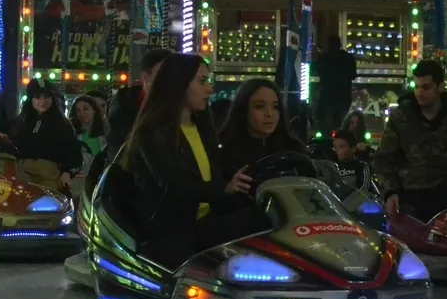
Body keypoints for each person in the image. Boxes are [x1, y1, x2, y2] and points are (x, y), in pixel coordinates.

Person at [123, 53, 262, 269]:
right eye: (202, 81)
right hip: (169, 230)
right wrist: (224, 189)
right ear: (180, 84)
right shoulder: (153, 133)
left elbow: (215, 173)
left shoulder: (201, 127)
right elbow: (174, 182)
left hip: (203, 222)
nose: (210, 89)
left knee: (263, 220)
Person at [374, 60, 447, 221]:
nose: (420, 92)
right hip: (411, 198)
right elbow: (383, 158)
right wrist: (390, 192)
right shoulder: (401, 117)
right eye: (417, 87)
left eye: (426, 87)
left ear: (440, 87)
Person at [219, 78, 306, 178]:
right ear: (243, 111)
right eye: (259, 106)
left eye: (275, 107)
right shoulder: (225, 153)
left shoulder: (294, 151)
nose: (269, 114)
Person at [11, 79, 83, 191]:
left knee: (47, 200)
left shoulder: (62, 124)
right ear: (30, 99)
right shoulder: (19, 122)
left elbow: (72, 150)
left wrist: (67, 172)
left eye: (47, 97)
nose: (42, 101)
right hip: (21, 172)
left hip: (48, 174)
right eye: (37, 97)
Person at [106, 48, 173, 162]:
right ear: (146, 77)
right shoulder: (124, 107)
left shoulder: (177, 104)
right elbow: (118, 150)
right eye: (164, 74)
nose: (170, 80)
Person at [313, 35, 357, 135]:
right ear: (340, 44)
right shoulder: (347, 58)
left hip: (327, 98)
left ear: (328, 45)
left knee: (326, 127)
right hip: (343, 97)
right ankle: (340, 140)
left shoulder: (324, 58)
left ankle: (329, 141)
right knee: (341, 126)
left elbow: (316, 70)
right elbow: (353, 75)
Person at [71, 95, 107, 174]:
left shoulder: (106, 130)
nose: (82, 113)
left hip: (102, 174)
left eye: (85, 109)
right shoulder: (71, 132)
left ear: (94, 110)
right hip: (79, 175)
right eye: (78, 110)